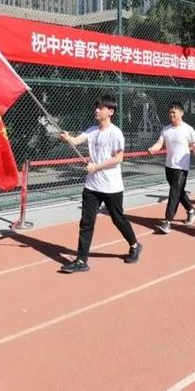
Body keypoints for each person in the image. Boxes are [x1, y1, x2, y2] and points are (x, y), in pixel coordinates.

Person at [59, 95, 143, 273]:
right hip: (92, 186)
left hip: (111, 186)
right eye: (96, 107)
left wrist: (96, 167)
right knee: (86, 222)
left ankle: (135, 244)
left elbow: (118, 158)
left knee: (117, 219)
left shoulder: (115, 133)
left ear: (110, 112)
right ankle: (81, 260)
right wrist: (68, 138)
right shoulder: (92, 130)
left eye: (101, 108)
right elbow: (76, 140)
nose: (96, 110)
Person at [149, 101, 195, 234]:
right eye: (170, 113)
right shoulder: (166, 129)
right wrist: (153, 148)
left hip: (182, 167)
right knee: (179, 192)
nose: (171, 115)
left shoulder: (188, 130)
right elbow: (159, 143)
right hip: (169, 166)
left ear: (181, 113)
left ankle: (167, 221)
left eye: (174, 112)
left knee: (174, 193)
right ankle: (191, 210)